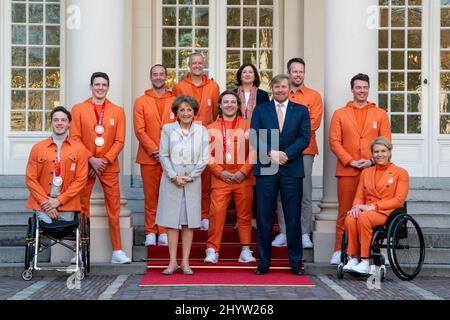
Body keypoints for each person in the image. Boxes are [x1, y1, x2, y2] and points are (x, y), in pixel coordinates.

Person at [329, 73, 392, 265]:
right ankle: (339, 249)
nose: (362, 91)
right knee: (346, 212)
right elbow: (334, 141)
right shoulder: (340, 113)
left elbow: (386, 141)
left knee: (374, 213)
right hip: (348, 170)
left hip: (374, 171)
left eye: (365, 87)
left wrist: (372, 160)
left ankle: (378, 250)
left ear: (368, 89)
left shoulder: (380, 114)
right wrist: (350, 161)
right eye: (358, 87)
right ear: (352, 89)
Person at [251, 74, 311, 275]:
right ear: (272, 89)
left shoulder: (301, 110)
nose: (280, 90)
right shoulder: (261, 110)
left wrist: (287, 154)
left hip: (291, 167)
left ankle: (295, 263)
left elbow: (305, 137)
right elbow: (254, 135)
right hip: (267, 166)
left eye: (284, 86)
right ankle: (264, 263)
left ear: (289, 88)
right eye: (276, 87)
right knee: (265, 217)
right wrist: (271, 153)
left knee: (293, 217)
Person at [70, 72, 131, 264]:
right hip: (85, 166)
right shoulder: (79, 109)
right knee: (81, 208)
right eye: (97, 84)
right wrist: (91, 159)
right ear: (91, 87)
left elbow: (120, 140)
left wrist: (103, 160)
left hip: (109, 165)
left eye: (104, 85)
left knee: (114, 208)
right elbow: (75, 138)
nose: (100, 88)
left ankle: (117, 251)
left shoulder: (117, 110)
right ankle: (80, 250)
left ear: (108, 87)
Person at [272, 58, 323, 249]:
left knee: (304, 193)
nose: (298, 75)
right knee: (281, 192)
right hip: (281, 152)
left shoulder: (314, 96)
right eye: (294, 71)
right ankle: (284, 232)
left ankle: (303, 233)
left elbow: (312, 124)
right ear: (288, 72)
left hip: (305, 150)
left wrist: (290, 144)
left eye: (301, 71)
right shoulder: (281, 93)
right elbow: (275, 122)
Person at [156, 95, 209, 275]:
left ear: (194, 112)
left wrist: (192, 176)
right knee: (172, 222)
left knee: (188, 222)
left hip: (192, 182)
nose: (186, 113)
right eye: (182, 110)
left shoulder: (202, 130)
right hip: (172, 181)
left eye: (189, 110)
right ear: (176, 113)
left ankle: (185, 263)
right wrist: (173, 176)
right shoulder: (168, 129)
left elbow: (204, 157)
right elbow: (163, 155)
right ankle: (172, 262)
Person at [204, 90, 256, 264]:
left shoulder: (248, 125)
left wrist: (244, 171)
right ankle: (212, 249)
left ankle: (246, 250)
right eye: (225, 102)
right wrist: (219, 172)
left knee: (244, 214)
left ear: (238, 105)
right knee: (216, 213)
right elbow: (206, 154)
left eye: (233, 102)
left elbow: (255, 150)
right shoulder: (211, 127)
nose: (229, 105)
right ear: (219, 105)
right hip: (221, 177)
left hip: (244, 177)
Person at [344, 137, 409, 273]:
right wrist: (356, 207)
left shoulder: (400, 173)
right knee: (350, 217)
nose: (379, 155)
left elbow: (399, 200)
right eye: (376, 152)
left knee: (364, 217)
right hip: (367, 210)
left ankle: (365, 260)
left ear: (389, 152)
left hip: (386, 212)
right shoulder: (366, 172)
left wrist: (373, 207)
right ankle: (353, 258)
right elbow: (359, 196)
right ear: (372, 154)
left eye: (383, 151)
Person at [173, 52, 220, 231]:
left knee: (206, 178)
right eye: (194, 63)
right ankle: (183, 215)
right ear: (189, 65)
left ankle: (204, 215)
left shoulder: (214, 86)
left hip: (206, 138)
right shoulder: (179, 86)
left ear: (204, 64)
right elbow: (176, 113)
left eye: (200, 63)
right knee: (185, 174)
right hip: (185, 137)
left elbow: (216, 112)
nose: (197, 65)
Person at [133, 64, 176, 247]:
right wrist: (155, 150)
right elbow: (139, 130)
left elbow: (180, 126)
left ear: (166, 77)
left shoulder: (175, 99)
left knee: (168, 195)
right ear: (150, 77)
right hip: (148, 157)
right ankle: (151, 231)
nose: (158, 77)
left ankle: (164, 230)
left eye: (161, 74)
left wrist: (166, 151)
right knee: (150, 197)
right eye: (155, 74)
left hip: (171, 157)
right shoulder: (141, 101)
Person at [26, 106, 88, 225]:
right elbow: (30, 179)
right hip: (42, 203)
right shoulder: (38, 148)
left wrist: (59, 201)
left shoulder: (79, 149)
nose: (59, 123)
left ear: (69, 124)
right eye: (56, 120)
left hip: (67, 204)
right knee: (46, 225)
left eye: (63, 120)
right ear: (51, 123)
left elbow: (81, 180)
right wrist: (46, 204)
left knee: (64, 228)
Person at [234, 63, 270, 230]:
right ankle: (239, 218)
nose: (247, 74)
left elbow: (267, 115)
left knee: (255, 179)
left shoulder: (262, 95)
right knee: (239, 176)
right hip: (237, 137)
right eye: (244, 72)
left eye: (250, 72)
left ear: (255, 75)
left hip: (258, 137)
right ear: (240, 75)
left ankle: (254, 217)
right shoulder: (233, 93)